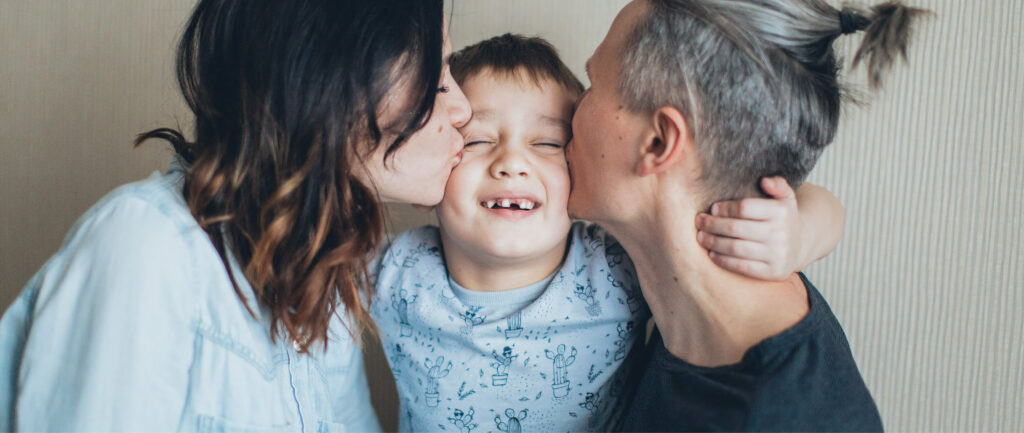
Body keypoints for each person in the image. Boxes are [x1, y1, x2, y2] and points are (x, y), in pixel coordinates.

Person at [0, 0, 470, 430]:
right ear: (340, 81)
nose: (464, 109)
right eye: (439, 77)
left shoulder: (325, 281)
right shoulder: (145, 250)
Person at [370, 34, 846, 432]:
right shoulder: (395, 271)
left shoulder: (615, 267)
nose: (512, 163)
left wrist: (798, 232)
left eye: (548, 143)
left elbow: (819, 203)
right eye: (477, 141)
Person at [566, 0, 928, 430]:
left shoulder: (778, 417)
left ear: (660, 143)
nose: (571, 108)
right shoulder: (683, 303)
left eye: (591, 84)